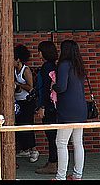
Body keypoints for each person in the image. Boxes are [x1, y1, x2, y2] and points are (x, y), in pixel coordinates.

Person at [52, 39, 87, 181]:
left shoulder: (64, 65)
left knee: (61, 143)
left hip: (67, 109)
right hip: (81, 108)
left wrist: (53, 85)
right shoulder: (78, 65)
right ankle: (77, 175)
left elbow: (61, 87)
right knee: (78, 143)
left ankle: (60, 177)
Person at [34, 40, 59, 175]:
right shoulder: (54, 66)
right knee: (54, 136)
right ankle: (52, 162)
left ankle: (53, 163)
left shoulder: (46, 68)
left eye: (39, 50)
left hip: (48, 107)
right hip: (54, 106)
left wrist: (42, 106)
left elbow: (44, 89)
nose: (38, 54)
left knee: (51, 136)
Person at [13, 44, 39, 163]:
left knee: (27, 125)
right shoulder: (13, 70)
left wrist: (18, 85)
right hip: (17, 101)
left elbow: (30, 87)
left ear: (18, 59)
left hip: (27, 101)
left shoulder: (26, 70)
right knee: (19, 125)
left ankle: (34, 150)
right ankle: (25, 149)